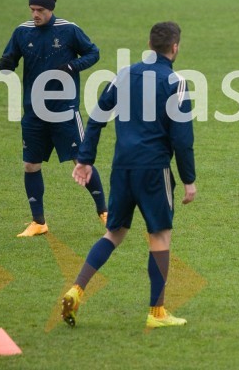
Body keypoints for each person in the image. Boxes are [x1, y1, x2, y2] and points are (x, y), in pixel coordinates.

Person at [61, 21, 197, 329]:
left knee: (114, 233)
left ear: (149, 45)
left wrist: (85, 160)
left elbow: (97, 117)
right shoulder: (176, 82)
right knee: (160, 236)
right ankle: (157, 312)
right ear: (175, 47)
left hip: (122, 167)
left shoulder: (123, 74)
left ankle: (77, 288)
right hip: (154, 169)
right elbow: (182, 138)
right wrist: (188, 179)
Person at [0, 0, 107, 237]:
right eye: (32, 9)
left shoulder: (68, 30)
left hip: (64, 110)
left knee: (81, 160)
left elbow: (93, 53)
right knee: (30, 164)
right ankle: (38, 222)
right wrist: (6, 64)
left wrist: (71, 66)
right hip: (34, 111)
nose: (35, 14)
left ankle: (104, 212)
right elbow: (8, 60)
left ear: (51, 9)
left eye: (40, 10)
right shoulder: (22, 32)